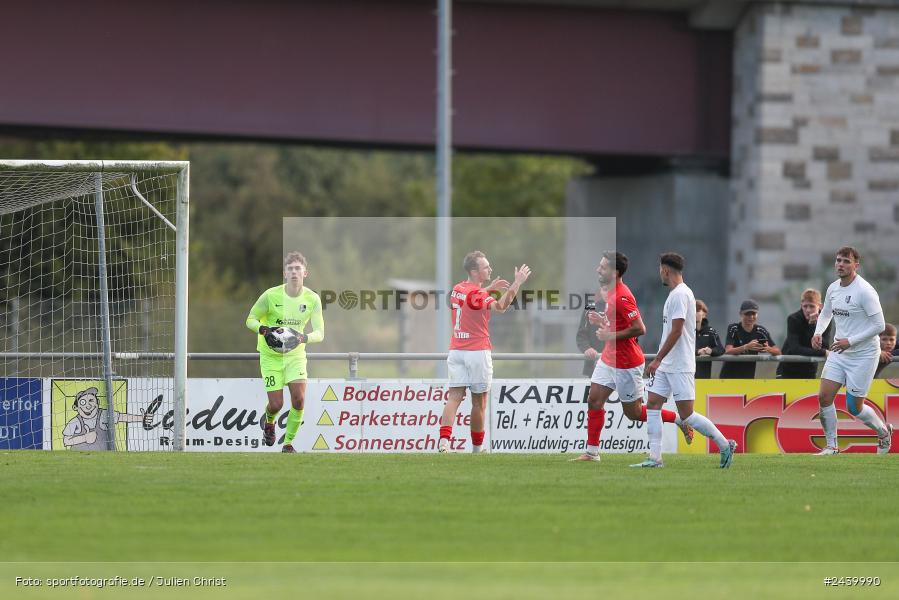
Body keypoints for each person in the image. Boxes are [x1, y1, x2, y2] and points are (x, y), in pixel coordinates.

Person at [571, 252, 693, 462]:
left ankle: (679, 420)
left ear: (615, 272)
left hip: (626, 363)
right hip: (609, 358)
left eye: (602, 267)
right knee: (594, 399)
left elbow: (639, 328)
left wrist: (609, 334)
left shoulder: (623, 295)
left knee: (634, 413)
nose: (597, 269)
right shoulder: (609, 293)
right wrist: (601, 321)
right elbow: (617, 323)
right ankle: (592, 452)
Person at [633, 252, 736, 468]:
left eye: (660, 269)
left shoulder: (681, 294)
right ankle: (655, 458)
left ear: (665, 270)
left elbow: (677, 331)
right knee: (652, 404)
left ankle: (724, 444)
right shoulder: (674, 294)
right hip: (667, 365)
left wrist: (657, 358)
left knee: (687, 415)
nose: (659, 273)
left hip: (679, 364)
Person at [438, 251, 531, 453]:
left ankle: (443, 443)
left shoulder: (457, 288)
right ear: (474, 271)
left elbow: (471, 298)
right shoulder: (479, 294)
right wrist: (517, 283)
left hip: (456, 350)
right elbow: (501, 307)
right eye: (486, 267)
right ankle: (477, 449)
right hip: (477, 351)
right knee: (479, 402)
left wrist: (488, 288)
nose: (490, 269)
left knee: (453, 397)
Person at [812, 246, 892, 455]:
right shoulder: (833, 288)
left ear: (856, 265)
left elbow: (879, 325)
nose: (840, 264)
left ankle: (883, 433)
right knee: (824, 397)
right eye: (838, 260)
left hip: (864, 355)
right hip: (840, 351)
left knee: (854, 407)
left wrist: (851, 341)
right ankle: (831, 447)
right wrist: (818, 332)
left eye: (846, 261)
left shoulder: (865, 291)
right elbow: (826, 313)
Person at [246, 252, 324, 453]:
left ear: (305, 273)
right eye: (290, 269)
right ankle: (269, 422)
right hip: (271, 357)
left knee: (298, 399)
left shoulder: (313, 299)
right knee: (276, 404)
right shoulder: (270, 296)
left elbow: (320, 333)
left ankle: (288, 443)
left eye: (298, 268)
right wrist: (264, 330)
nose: (294, 272)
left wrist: (303, 337)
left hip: (295, 356)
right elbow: (250, 319)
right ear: (284, 274)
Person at [62, 387, 147, 450]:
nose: (88, 406)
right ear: (75, 407)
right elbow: (66, 441)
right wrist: (84, 438)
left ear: (98, 402)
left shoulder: (103, 414)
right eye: (83, 402)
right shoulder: (75, 422)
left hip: (104, 458)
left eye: (91, 400)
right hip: (79, 458)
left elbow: (122, 417)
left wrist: (142, 418)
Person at [777, 289, 831, 379]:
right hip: (788, 370)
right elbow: (795, 349)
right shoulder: (793, 319)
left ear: (820, 307)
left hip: (809, 371)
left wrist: (814, 326)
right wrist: (823, 352)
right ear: (801, 305)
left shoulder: (826, 320)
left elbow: (825, 345)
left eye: (812, 306)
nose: (808, 310)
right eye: (805, 306)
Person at [720, 299, 781, 379]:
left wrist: (767, 349)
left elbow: (778, 351)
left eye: (754, 314)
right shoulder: (733, 328)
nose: (751, 317)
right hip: (729, 377)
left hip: (748, 377)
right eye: (747, 314)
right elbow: (728, 350)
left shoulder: (761, 330)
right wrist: (746, 347)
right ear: (741, 314)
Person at [575, 286, 606, 377]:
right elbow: (581, 335)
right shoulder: (590, 307)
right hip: (595, 366)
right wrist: (587, 348)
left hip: (618, 366)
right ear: (600, 290)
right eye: (605, 290)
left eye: (611, 290)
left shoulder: (623, 308)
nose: (608, 293)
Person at [695, 299, 725, 379]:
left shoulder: (710, 331)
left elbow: (721, 349)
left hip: (704, 378)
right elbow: (681, 350)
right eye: (692, 311)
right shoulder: (684, 331)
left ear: (704, 314)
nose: (694, 313)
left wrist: (711, 351)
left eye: (697, 311)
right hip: (685, 378)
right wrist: (698, 352)